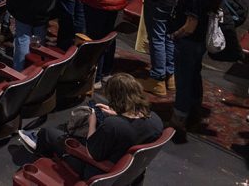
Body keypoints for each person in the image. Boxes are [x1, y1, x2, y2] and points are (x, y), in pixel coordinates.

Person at [19, 73, 163, 179]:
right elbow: (131, 129)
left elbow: (91, 153)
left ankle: (41, 172)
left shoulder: (113, 125)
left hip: (97, 171)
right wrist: (117, 113)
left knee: (47, 133)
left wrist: (93, 121)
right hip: (127, 171)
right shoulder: (155, 120)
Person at [167, 0, 223, 140]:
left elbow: (190, 27)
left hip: (188, 44)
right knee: (193, 78)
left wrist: (174, 35)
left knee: (183, 82)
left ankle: (178, 122)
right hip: (197, 45)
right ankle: (194, 113)